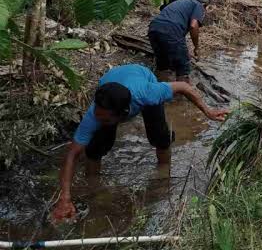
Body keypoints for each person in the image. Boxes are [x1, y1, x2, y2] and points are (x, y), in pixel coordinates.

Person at [51, 64, 228, 221]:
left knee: (160, 137)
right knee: (95, 148)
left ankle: (163, 177)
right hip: (111, 82)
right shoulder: (95, 115)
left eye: (104, 119)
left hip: (140, 76)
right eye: (98, 115)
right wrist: (64, 198)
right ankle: (93, 185)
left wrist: (208, 111)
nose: (98, 120)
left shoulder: (149, 93)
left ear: (125, 114)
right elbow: (72, 155)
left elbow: (183, 86)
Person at [148, 0, 210, 83]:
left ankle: (161, 91)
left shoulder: (183, 2)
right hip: (171, 30)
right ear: (204, 4)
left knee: (163, 64)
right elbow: (193, 26)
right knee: (183, 67)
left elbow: (177, 39)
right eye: (206, 7)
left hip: (153, 29)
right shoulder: (198, 5)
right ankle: (181, 95)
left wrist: (183, 51)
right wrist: (196, 48)